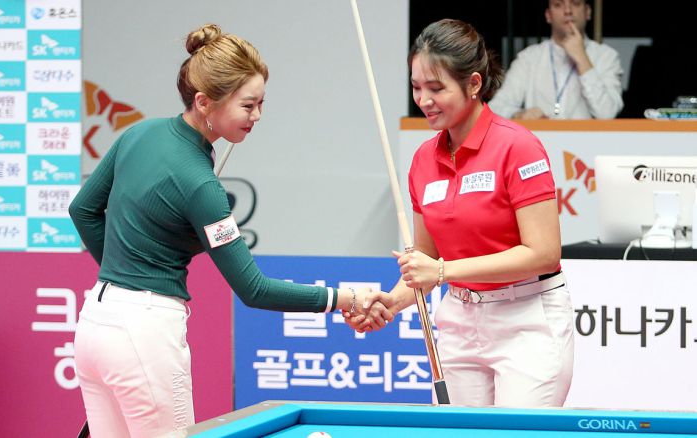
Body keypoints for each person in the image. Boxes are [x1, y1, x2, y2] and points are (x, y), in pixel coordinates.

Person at [69, 24, 392, 437]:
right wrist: (347, 298)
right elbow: (255, 290)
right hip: (144, 335)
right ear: (204, 102)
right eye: (247, 105)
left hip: (96, 322)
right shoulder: (202, 185)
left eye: (261, 103)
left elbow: (82, 210)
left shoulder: (138, 133)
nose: (257, 116)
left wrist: (124, 272)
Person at [346, 19, 574, 407]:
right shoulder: (423, 160)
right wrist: (391, 303)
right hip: (460, 322)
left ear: (473, 84)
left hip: (527, 321)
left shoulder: (518, 147)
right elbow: (427, 259)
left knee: (516, 434)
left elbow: (543, 253)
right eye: (417, 87)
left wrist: (442, 272)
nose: (424, 99)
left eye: (436, 88)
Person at [489, 0, 623, 120]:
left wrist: (582, 58)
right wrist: (519, 114)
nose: (568, 10)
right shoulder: (529, 58)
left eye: (575, 3)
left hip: (587, 140)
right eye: (558, 5)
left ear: (588, 12)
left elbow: (607, 113)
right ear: (548, 15)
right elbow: (495, 107)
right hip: (539, 138)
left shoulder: (607, 56)